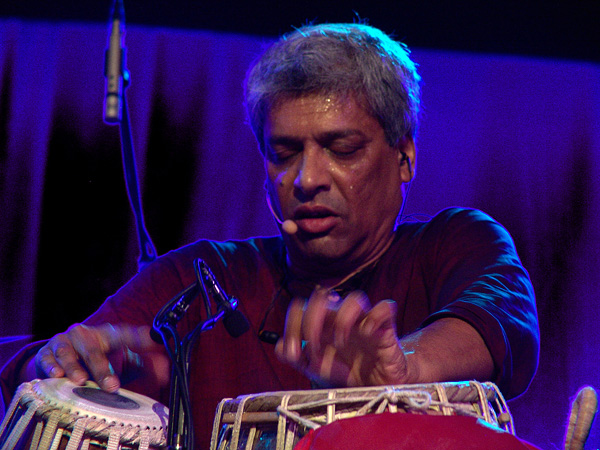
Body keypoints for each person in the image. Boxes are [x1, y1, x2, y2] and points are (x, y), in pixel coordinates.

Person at [0, 22, 539, 448]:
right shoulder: (202, 279)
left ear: (404, 156)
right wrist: (56, 364)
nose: (306, 179)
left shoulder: (455, 244)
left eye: (342, 149)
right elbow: (47, 364)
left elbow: (495, 328)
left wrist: (402, 368)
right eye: (283, 154)